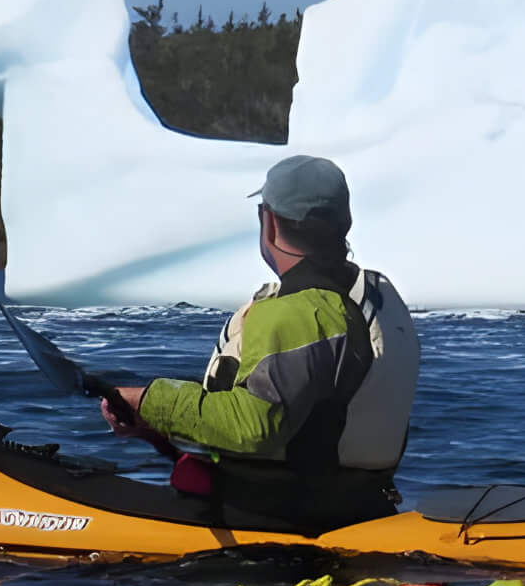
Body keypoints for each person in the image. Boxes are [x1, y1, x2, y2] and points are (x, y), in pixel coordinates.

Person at [102, 155, 419, 534]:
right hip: (357, 505)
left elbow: (253, 427)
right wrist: (152, 425)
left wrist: (149, 400)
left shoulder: (299, 312)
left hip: (277, 522)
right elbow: (317, 415)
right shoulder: (377, 296)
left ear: (268, 223)